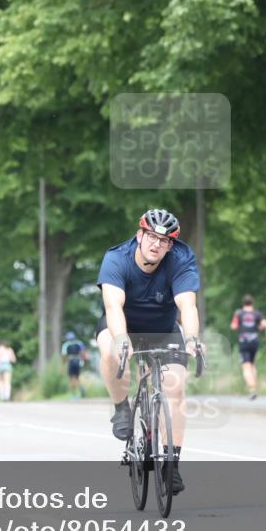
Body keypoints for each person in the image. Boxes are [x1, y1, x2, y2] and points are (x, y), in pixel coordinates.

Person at [97, 208, 201, 496]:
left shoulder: (181, 259)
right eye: (152, 237)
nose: (157, 244)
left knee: (175, 387)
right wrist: (121, 339)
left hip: (164, 328)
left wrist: (192, 338)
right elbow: (113, 306)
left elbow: (188, 305)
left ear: (171, 245)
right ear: (140, 235)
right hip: (123, 325)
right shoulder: (116, 258)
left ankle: (171, 464)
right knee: (109, 351)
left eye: (164, 241)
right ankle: (121, 409)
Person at [230, 294, 266, 400]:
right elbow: (265, 325)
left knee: (246, 367)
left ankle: (252, 389)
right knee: (252, 364)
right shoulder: (257, 313)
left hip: (244, 341)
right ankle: (253, 386)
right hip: (255, 341)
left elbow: (233, 326)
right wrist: (258, 327)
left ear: (243, 303)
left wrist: (240, 325)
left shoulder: (239, 313)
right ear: (252, 303)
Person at [61, 331, 89, 399]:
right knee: (77, 377)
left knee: (71, 379)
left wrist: (62, 366)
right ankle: (81, 389)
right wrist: (84, 361)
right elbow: (83, 352)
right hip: (78, 361)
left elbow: (64, 356)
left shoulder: (66, 345)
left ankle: (73, 394)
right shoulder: (79, 343)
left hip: (71, 362)